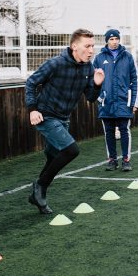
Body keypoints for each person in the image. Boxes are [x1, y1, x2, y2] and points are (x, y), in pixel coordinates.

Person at [25, 29, 103, 213]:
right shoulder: (56, 64)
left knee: (53, 157)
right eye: (87, 46)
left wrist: (98, 84)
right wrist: (32, 110)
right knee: (71, 150)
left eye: (93, 46)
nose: (91, 50)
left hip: (63, 118)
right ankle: (39, 187)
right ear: (74, 46)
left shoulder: (88, 68)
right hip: (45, 115)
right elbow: (31, 83)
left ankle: (37, 194)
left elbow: (91, 97)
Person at [93, 29, 138, 171]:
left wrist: (134, 102)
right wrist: (99, 98)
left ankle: (126, 160)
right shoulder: (99, 58)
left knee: (124, 130)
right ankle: (112, 160)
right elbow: (93, 81)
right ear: (106, 41)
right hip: (106, 103)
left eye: (116, 39)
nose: (114, 42)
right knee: (108, 131)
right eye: (111, 39)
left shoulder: (128, 57)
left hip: (123, 101)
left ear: (119, 40)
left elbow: (136, 79)